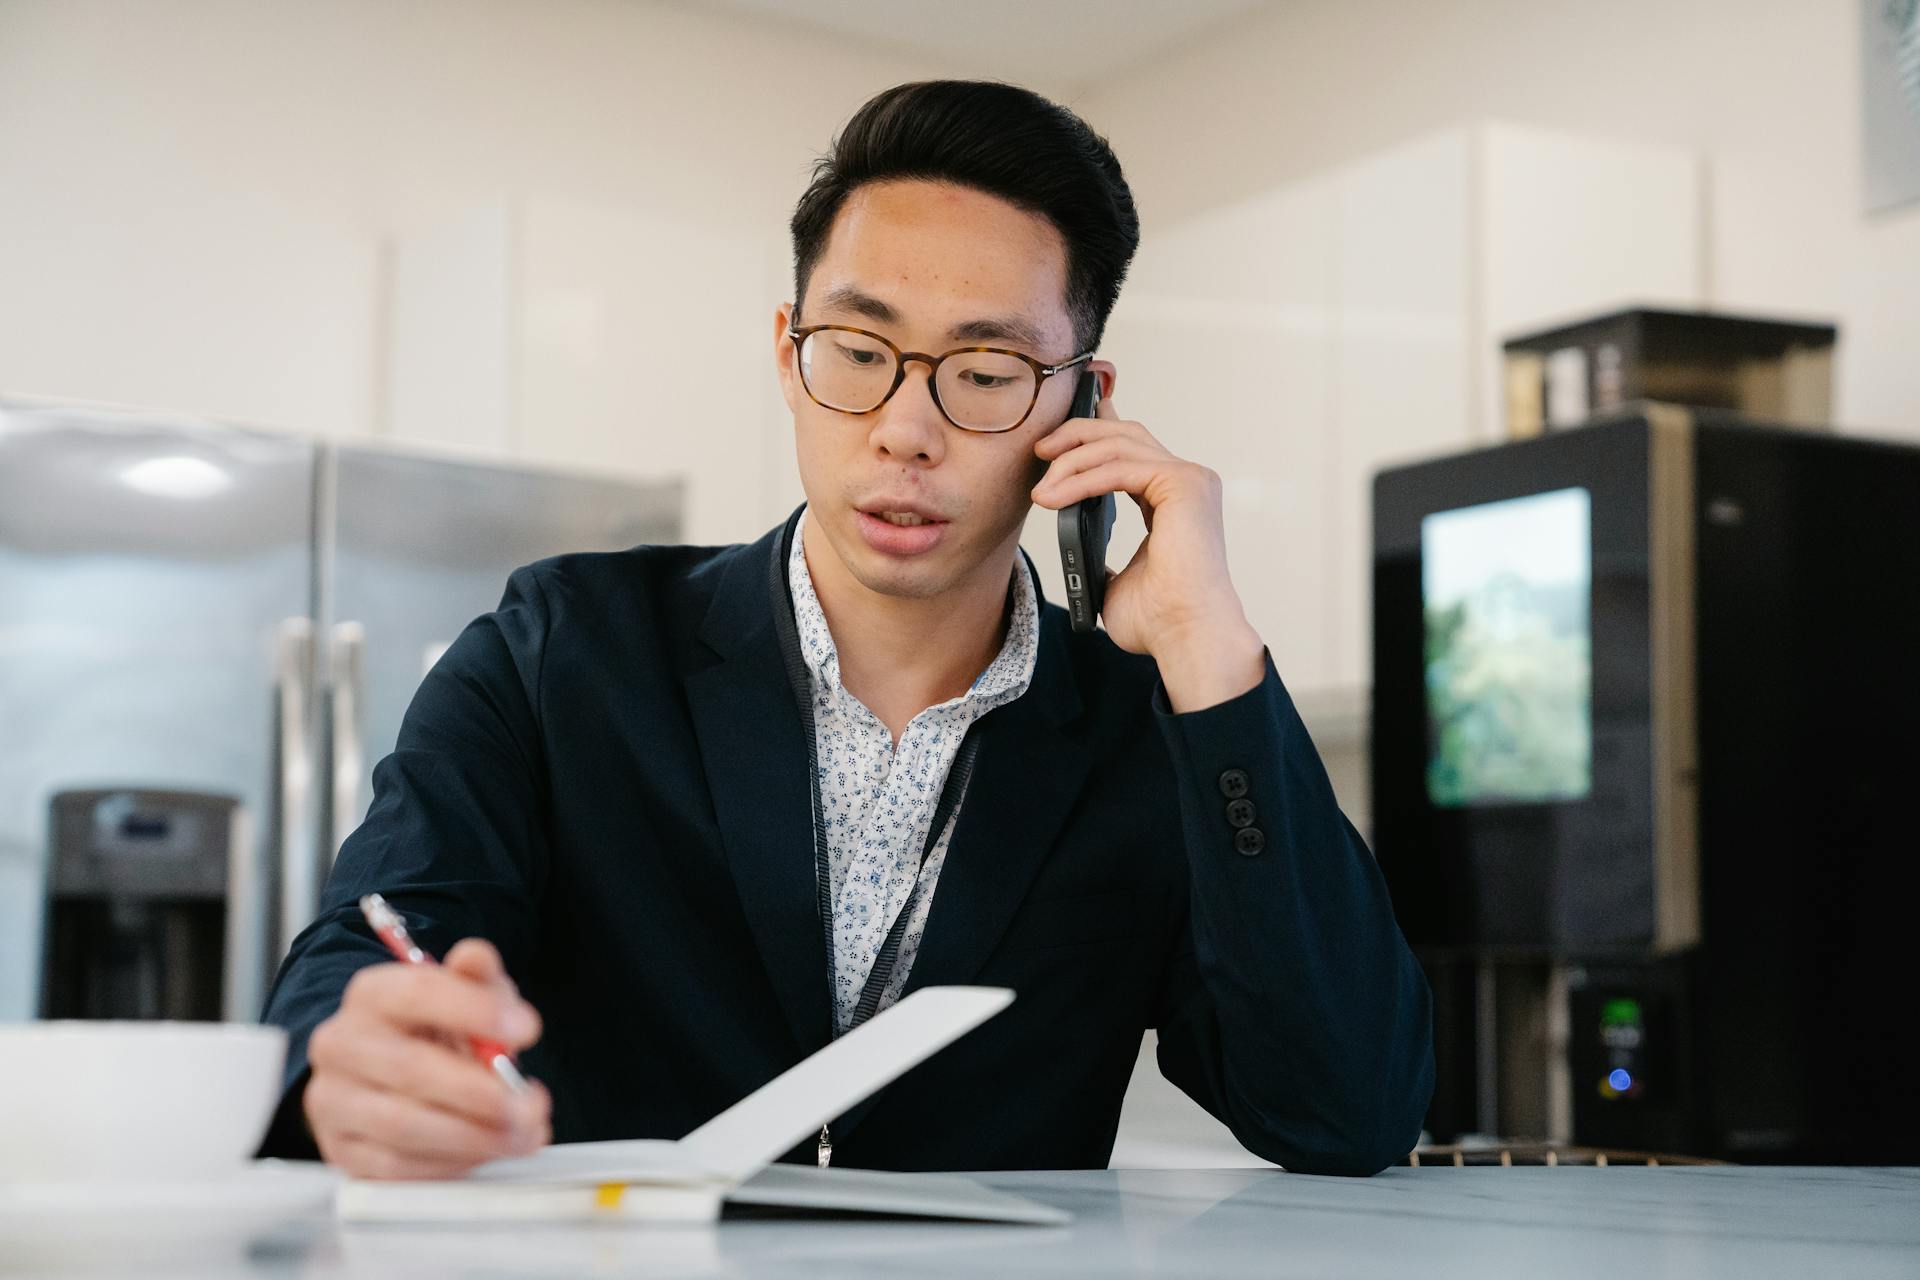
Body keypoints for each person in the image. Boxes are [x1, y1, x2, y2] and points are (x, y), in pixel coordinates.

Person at [260, 80, 1433, 1180]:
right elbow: (365, 950)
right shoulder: (563, 646)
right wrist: (348, 1058)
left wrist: (1211, 652)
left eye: (984, 370)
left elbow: (1346, 1107)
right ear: (789, 351)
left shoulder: (1142, 733)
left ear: (1081, 400)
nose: (905, 430)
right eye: (862, 354)